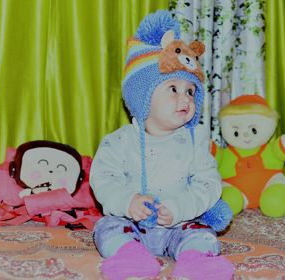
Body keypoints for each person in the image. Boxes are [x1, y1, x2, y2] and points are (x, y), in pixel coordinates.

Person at [90, 10, 234, 280]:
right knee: (106, 227)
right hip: (130, 224)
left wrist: (180, 207)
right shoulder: (119, 142)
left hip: (178, 224)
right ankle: (129, 257)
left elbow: (209, 183)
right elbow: (103, 179)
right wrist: (127, 201)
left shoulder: (194, 141)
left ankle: (195, 261)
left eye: (191, 91)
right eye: (173, 89)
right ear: (143, 96)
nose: (185, 98)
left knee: (202, 233)